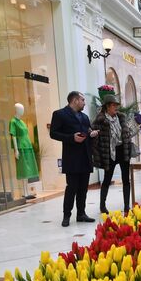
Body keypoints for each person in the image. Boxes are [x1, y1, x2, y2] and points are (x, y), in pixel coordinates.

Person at [49, 91, 98, 227]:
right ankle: (66, 215)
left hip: (85, 156)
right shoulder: (60, 114)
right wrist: (71, 138)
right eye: (82, 100)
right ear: (75, 100)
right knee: (71, 188)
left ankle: (81, 213)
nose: (84, 102)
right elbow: (53, 133)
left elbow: (87, 130)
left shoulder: (84, 117)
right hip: (72, 157)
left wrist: (91, 133)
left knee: (83, 188)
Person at [91, 94, 133, 216]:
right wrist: (98, 152)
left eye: (116, 105)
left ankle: (126, 206)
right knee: (107, 179)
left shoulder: (121, 118)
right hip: (109, 152)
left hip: (122, 150)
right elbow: (93, 136)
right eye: (114, 105)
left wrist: (128, 135)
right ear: (107, 107)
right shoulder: (100, 120)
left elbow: (125, 133)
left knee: (126, 179)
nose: (116, 107)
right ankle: (102, 205)